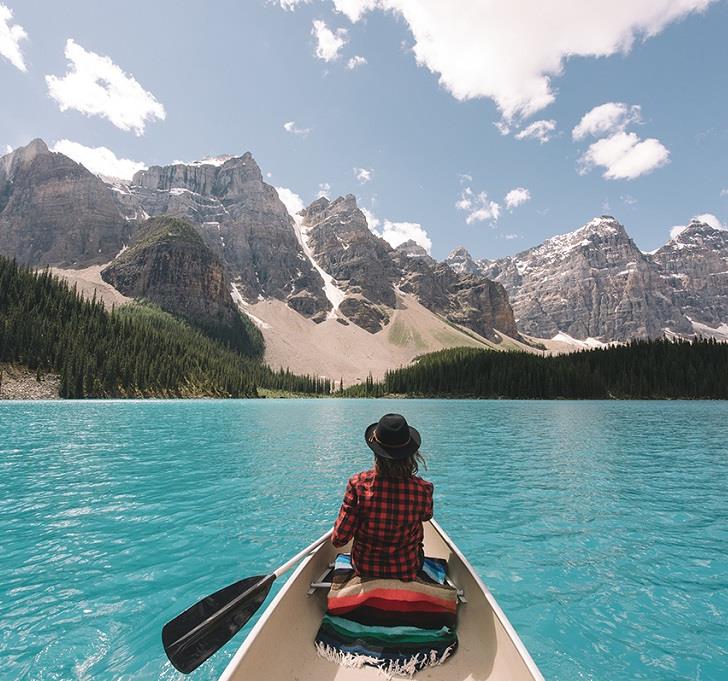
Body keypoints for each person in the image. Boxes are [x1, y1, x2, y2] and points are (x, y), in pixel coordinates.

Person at [331, 413, 433, 581]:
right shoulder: (423, 489)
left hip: (364, 568)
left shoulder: (358, 484)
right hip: (407, 568)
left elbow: (339, 539)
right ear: (410, 454)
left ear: (376, 452)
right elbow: (426, 516)